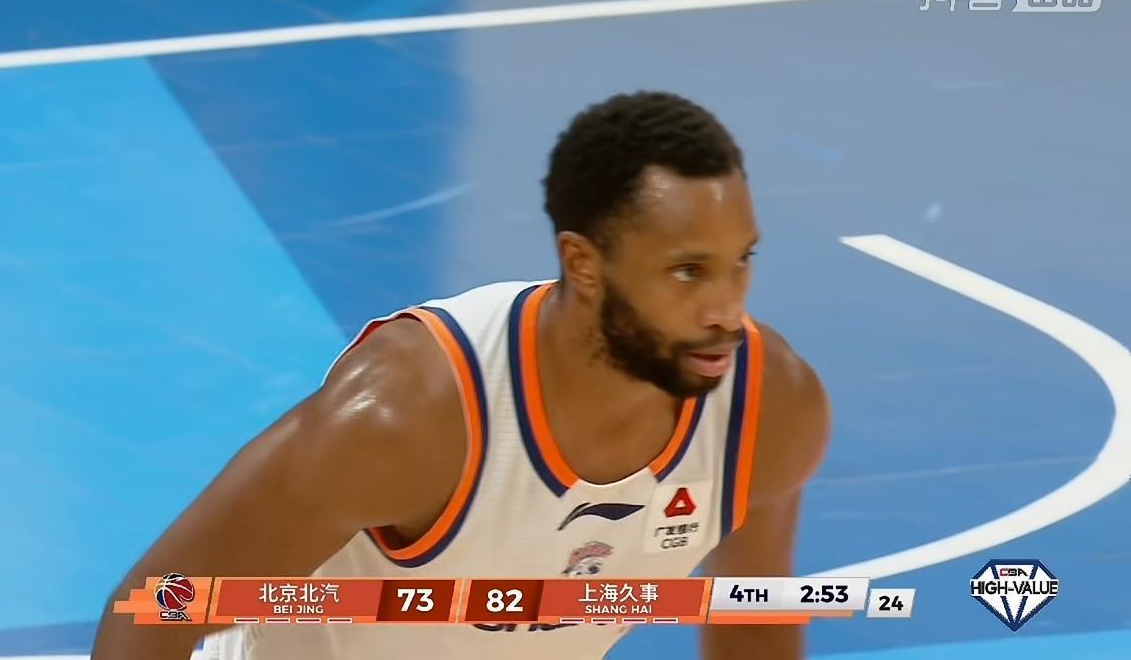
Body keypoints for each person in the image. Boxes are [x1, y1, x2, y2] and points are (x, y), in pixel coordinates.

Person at [92, 90, 832, 659]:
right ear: (584, 265)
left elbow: (753, 622)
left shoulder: (768, 406)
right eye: (688, 272)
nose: (727, 309)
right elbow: (155, 609)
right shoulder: (410, 415)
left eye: (742, 261)